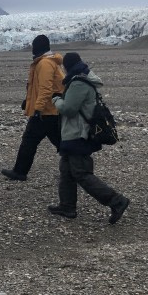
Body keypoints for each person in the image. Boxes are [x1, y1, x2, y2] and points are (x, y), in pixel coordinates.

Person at [49, 52, 130, 224]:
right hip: (73, 133)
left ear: (67, 66)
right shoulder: (81, 79)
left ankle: (116, 201)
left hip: (78, 134)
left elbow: (69, 109)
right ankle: (67, 206)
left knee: (81, 173)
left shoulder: (78, 83)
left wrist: (56, 100)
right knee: (67, 170)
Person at [1, 34, 64, 181]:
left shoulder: (45, 64)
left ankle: (20, 172)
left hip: (46, 111)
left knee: (30, 140)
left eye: (34, 46)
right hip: (51, 110)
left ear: (38, 47)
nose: (32, 49)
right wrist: (28, 102)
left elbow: (46, 89)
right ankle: (77, 170)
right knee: (60, 142)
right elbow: (39, 88)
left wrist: (37, 109)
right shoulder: (48, 62)